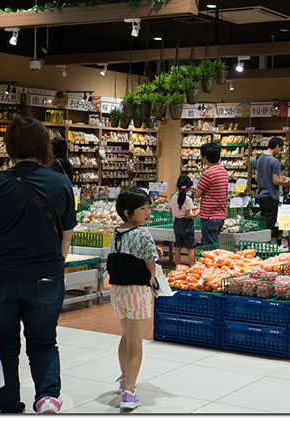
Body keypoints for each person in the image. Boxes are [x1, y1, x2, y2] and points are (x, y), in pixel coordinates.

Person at [0, 117, 76, 414]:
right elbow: (66, 238)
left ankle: (9, 406)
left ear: (9, 146)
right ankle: (48, 397)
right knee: (44, 342)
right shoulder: (61, 182)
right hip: (46, 277)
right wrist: (53, 266)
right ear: (42, 145)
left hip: (0, 279)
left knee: (4, 346)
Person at [107, 187, 158, 410]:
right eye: (142, 209)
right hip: (137, 291)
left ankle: (124, 378)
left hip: (117, 291)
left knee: (126, 336)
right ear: (128, 212)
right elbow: (150, 264)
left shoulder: (116, 232)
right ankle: (129, 392)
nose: (147, 213)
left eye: (148, 208)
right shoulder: (143, 234)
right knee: (136, 342)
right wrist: (153, 282)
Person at [255, 137, 290, 243]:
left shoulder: (260, 159)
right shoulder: (274, 161)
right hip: (271, 196)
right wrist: (285, 182)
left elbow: (256, 178)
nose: (279, 152)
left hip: (261, 196)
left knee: (263, 224)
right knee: (270, 225)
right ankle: (267, 247)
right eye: (280, 149)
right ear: (277, 146)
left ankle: (261, 245)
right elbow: (275, 181)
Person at [194, 142, 230, 246]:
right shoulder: (224, 172)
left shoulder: (207, 173)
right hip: (220, 215)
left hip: (209, 216)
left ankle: (215, 263)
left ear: (205, 157)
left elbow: (197, 194)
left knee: (210, 248)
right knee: (212, 242)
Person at [169, 175, 197, 266]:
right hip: (186, 224)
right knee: (190, 248)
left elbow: (170, 212)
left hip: (176, 223)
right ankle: (192, 268)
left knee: (177, 247)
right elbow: (188, 215)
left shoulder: (173, 197)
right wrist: (197, 213)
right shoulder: (188, 200)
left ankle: (178, 268)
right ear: (189, 188)